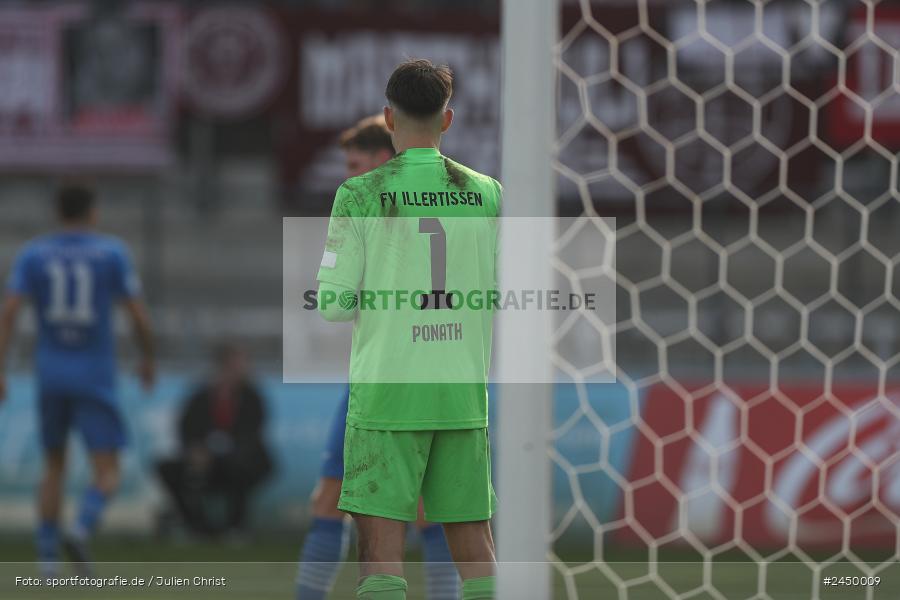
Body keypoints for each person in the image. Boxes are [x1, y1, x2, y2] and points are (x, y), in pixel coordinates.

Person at [315, 60, 501, 600]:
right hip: (460, 393)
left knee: (380, 552)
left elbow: (333, 305)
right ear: (448, 119)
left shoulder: (359, 193)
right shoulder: (488, 192)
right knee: (476, 549)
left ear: (389, 118)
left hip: (387, 394)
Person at [296, 115, 460, 600]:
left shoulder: (375, 213)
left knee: (343, 501)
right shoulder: (449, 199)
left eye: (354, 165)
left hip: (391, 374)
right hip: (424, 370)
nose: (347, 176)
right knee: (420, 506)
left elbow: (336, 303)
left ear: (383, 160)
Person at [0, 185, 155, 577]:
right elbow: (137, 314)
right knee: (108, 470)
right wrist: (147, 357)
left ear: (58, 211)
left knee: (53, 465)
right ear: (93, 212)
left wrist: (0, 367)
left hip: (51, 372)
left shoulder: (34, 253)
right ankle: (81, 527)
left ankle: (47, 562)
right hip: (95, 374)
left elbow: (10, 311)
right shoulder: (112, 252)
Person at [157, 342, 272, 538]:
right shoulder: (200, 396)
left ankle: (235, 526)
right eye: (237, 364)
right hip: (203, 459)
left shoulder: (252, 398)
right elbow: (187, 429)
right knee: (169, 469)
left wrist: (221, 452)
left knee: (239, 468)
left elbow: (253, 434)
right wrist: (196, 450)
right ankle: (197, 526)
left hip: (238, 459)